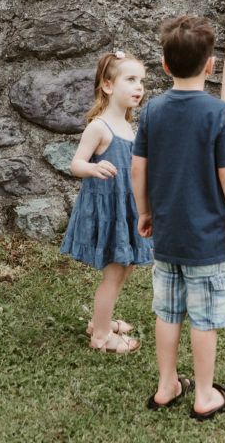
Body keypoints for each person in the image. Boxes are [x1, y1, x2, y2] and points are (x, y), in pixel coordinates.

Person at [131, 16, 225, 420]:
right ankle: (204, 394)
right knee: (204, 318)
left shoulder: (151, 111)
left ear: (164, 65)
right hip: (208, 240)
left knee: (167, 313)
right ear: (211, 65)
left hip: (167, 235)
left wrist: (144, 211)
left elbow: (138, 168)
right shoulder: (219, 113)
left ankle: (167, 384)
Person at [60, 50, 153, 353]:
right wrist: (93, 168)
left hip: (127, 208)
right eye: (131, 79)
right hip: (108, 211)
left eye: (141, 81)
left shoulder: (127, 124)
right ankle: (100, 335)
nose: (139, 87)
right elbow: (76, 164)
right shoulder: (99, 127)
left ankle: (102, 319)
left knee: (125, 267)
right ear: (108, 85)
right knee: (114, 273)